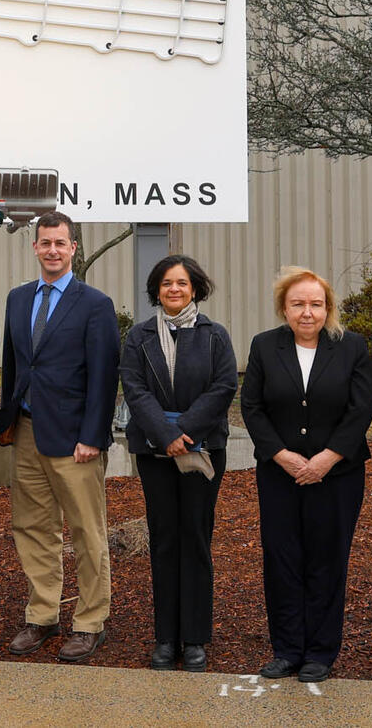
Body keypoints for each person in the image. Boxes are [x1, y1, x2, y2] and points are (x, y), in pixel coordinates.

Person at [0, 211, 120, 663]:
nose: (53, 250)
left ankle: (90, 622)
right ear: (34, 247)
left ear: (73, 248)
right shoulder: (19, 298)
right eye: (45, 243)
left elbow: (104, 376)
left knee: (87, 532)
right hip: (26, 433)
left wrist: (94, 436)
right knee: (32, 528)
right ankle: (43, 615)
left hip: (75, 442)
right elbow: (16, 365)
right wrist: (7, 421)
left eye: (61, 243)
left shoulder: (94, 303)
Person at [240, 265, 372, 684]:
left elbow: (361, 407)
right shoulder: (265, 346)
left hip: (336, 476)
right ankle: (287, 650)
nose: (307, 312)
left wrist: (326, 458)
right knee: (282, 560)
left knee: (326, 561)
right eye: (298, 304)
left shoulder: (350, 346)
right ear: (284, 307)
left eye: (316, 304)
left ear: (328, 308)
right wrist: (281, 455)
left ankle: (319, 652)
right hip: (280, 475)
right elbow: (252, 407)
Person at [119, 254, 238, 672]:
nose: (174, 289)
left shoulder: (214, 335)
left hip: (203, 451)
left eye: (182, 284)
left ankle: (196, 639)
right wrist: (166, 436)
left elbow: (225, 386)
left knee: (196, 540)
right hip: (155, 453)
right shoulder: (139, 337)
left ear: (195, 289)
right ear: (156, 289)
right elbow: (133, 388)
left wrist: (184, 430)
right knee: (165, 540)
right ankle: (166, 639)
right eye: (167, 283)